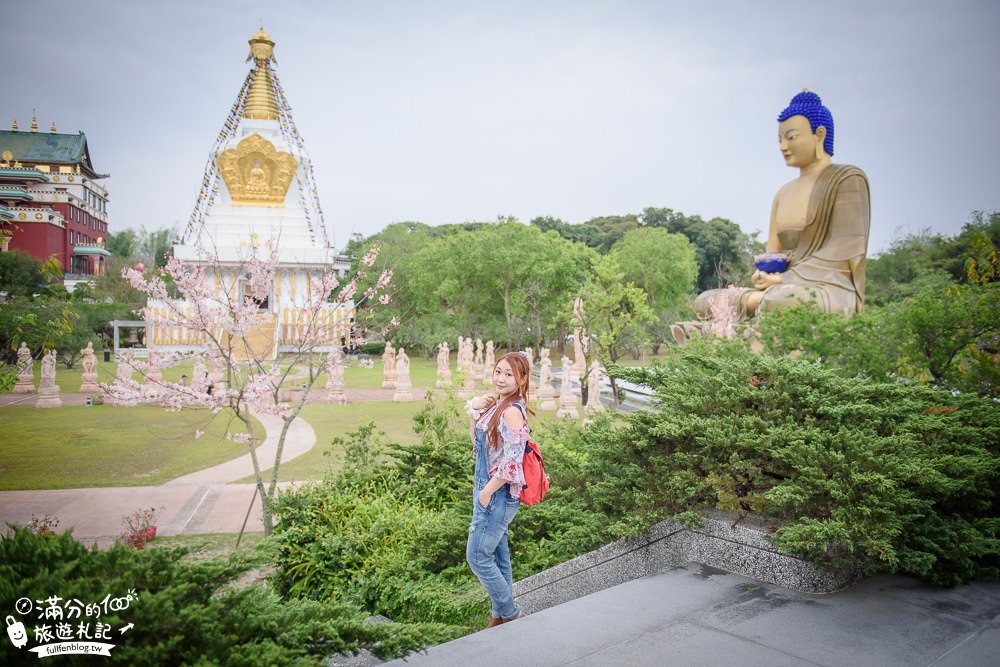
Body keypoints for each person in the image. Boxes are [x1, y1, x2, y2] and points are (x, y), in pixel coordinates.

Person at [691, 90, 870, 320]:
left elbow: (843, 252)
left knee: (781, 301)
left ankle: (760, 306)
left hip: (828, 290)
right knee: (708, 300)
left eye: (792, 137)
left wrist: (784, 279)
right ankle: (758, 303)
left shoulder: (847, 180)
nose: (783, 146)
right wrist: (762, 274)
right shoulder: (783, 193)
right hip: (779, 287)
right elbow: (773, 254)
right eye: (780, 139)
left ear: (820, 135)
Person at [465, 352, 534, 628]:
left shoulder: (511, 412)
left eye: (509, 374)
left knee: (477, 555)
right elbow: (476, 443)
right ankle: (498, 616)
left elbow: (512, 464)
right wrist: (474, 411)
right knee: (498, 555)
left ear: (522, 379)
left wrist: (486, 493)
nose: (501, 378)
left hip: (497, 494)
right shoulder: (497, 405)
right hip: (487, 489)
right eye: (498, 372)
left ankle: (512, 615)